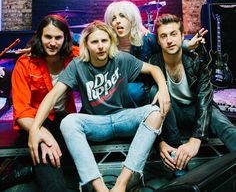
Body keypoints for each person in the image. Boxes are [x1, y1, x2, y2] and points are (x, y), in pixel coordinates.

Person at [28, 20, 170, 192]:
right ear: (86, 45)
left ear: (111, 42)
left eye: (104, 41)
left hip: (123, 118)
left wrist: (163, 90)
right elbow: (52, 97)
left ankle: (121, 184)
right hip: (96, 123)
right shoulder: (77, 65)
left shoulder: (121, 59)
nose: (100, 46)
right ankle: (100, 188)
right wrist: (35, 129)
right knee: (68, 122)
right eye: (95, 42)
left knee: (154, 113)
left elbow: (154, 69)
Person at [148, 13, 236, 175]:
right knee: (156, 92)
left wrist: (197, 138)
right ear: (158, 41)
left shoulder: (197, 60)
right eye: (164, 36)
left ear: (182, 37)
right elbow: (149, 105)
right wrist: (159, 142)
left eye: (174, 34)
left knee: (220, 121)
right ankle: (179, 165)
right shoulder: (153, 64)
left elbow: (204, 98)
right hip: (170, 115)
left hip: (196, 110)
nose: (169, 40)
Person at [11, 14, 80, 192]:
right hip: (35, 121)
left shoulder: (75, 57)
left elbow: (98, 46)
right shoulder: (25, 64)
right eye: (47, 37)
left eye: (58, 37)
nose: (52, 43)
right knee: (47, 153)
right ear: (39, 37)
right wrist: (41, 133)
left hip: (65, 119)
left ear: (65, 38)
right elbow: (21, 112)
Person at [104, 0, 207, 106]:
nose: (117, 21)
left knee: (133, 91)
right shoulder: (107, 45)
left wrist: (187, 45)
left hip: (143, 88)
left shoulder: (147, 40)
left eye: (122, 16)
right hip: (118, 86)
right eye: (113, 18)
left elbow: (167, 45)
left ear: (132, 19)